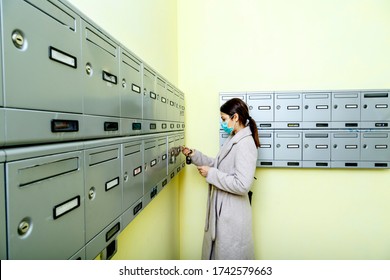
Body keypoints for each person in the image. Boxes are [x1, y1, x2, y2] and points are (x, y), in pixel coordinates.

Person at [182, 98, 260, 260]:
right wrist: (194, 155)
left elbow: (243, 184)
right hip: (225, 211)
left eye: (224, 119)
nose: (222, 123)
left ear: (235, 117)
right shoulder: (233, 137)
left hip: (232, 215)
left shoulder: (245, 144)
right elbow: (217, 165)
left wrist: (211, 174)